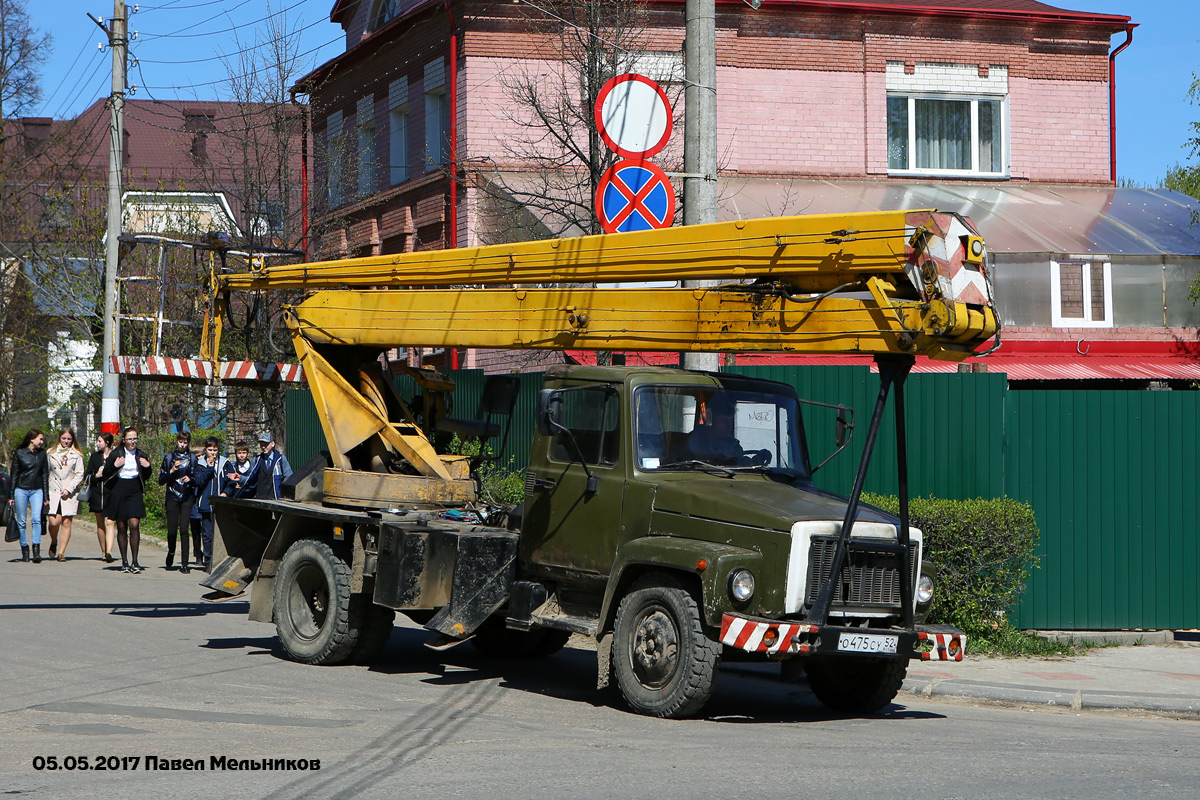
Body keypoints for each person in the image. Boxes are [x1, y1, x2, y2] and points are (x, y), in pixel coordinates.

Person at [102, 427, 152, 574]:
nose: (133, 442)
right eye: (130, 439)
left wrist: (148, 467)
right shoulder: (116, 454)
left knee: (134, 524)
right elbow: (106, 472)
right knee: (122, 526)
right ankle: (124, 561)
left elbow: (146, 475)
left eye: (135, 439)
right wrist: (114, 465)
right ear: (124, 440)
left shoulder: (141, 454)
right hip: (119, 489)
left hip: (134, 489)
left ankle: (135, 561)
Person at [158, 431, 200, 571]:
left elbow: (197, 480)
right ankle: (171, 551)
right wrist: (171, 471)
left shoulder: (193, 459)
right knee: (171, 530)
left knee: (184, 529)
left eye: (185, 442)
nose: (182, 445)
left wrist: (191, 479)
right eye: (180, 442)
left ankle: (185, 563)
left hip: (187, 496)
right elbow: (161, 480)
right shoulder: (169, 457)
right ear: (177, 441)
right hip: (172, 496)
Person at [8, 429, 49, 563]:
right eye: (40, 439)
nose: (42, 442)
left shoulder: (42, 454)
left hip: (37, 489)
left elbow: (44, 474)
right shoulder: (20, 453)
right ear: (32, 439)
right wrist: (11, 494)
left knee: (36, 519)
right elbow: (14, 474)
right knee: (22, 520)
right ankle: (24, 548)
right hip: (21, 489)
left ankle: (36, 550)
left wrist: (46, 495)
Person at [46, 428, 85, 562]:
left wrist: (69, 488)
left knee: (66, 522)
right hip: (53, 490)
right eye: (64, 438)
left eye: (69, 439)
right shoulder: (50, 453)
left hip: (69, 493)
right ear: (59, 438)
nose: (66, 441)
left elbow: (79, 474)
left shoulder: (77, 455)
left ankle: (61, 552)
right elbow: (46, 472)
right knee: (53, 521)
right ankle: (54, 541)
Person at [192, 437, 226, 573]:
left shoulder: (225, 463)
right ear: (205, 450)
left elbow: (229, 481)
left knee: (220, 534)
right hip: (206, 504)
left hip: (220, 504)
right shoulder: (200, 464)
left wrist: (226, 492)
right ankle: (208, 561)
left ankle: (220, 560)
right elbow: (199, 482)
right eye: (210, 450)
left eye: (215, 450)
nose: (213, 453)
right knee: (207, 534)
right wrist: (209, 469)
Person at [85, 432, 116, 562]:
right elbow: (87, 476)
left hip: (111, 493)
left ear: (107, 443)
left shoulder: (115, 456)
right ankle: (103, 551)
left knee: (109, 522)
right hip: (97, 493)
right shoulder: (94, 457)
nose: (97, 444)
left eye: (99, 441)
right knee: (100, 524)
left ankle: (109, 551)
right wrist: (95, 476)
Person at [252, 431, 292, 500]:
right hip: (259, 498)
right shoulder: (256, 460)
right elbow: (250, 478)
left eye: (266, 444)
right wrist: (240, 478)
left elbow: (289, 477)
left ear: (272, 444)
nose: (263, 447)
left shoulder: (280, 459)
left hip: (275, 498)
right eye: (261, 445)